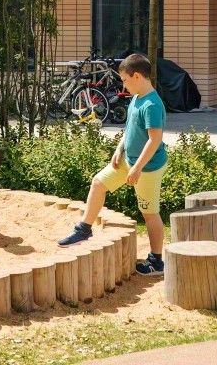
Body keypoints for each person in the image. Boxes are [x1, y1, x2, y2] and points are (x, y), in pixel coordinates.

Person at [57, 53, 169, 276]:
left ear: (137, 76)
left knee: (149, 213)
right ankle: (84, 229)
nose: (124, 85)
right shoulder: (137, 98)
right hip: (129, 160)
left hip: (147, 167)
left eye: (125, 80)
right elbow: (130, 130)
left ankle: (156, 261)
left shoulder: (152, 104)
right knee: (98, 183)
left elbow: (154, 140)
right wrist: (119, 149)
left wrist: (137, 168)